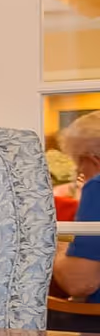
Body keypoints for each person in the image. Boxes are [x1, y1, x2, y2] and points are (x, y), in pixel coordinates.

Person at [52, 111, 100, 302]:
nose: (79, 172)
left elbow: (80, 282)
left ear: (92, 159)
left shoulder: (97, 186)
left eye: (78, 164)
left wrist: (58, 247)